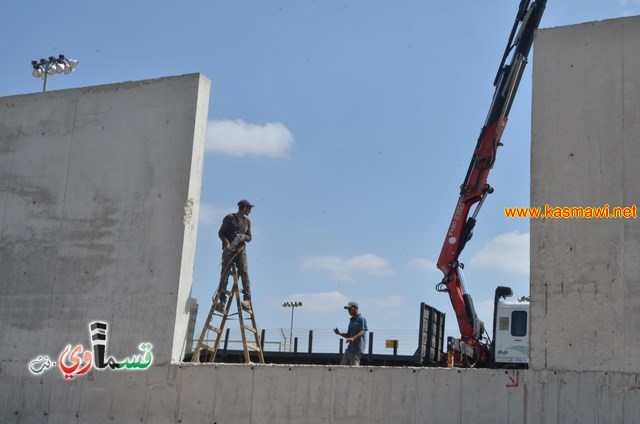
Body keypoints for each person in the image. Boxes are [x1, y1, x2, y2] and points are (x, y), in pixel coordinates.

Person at [215, 199, 254, 312]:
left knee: (244, 272)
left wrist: (243, 237)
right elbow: (220, 233)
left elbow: (250, 237)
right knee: (224, 274)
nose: (250, 211)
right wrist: (227, 243)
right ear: (244, 208)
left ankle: (247, 300)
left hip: (240, 251)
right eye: (249, 209)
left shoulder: (247, 222)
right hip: (229, 250)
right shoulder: (230, 218)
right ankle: (221, 301)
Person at [333, 301, 368, 366]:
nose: (348, 311)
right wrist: (339, 333)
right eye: (348, 309)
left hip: (357, 349)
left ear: (355, 308)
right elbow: (349, 335)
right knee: (343, 365)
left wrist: (353, 338)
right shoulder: (351, 320)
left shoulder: (361, 319)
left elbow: (362, 331)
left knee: (354, 367)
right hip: (350, 348)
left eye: (350, 309)